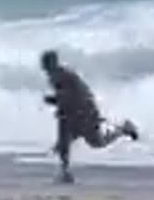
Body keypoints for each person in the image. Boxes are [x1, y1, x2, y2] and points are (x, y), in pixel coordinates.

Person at [39, 50, 139, 183]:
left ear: (53, 63)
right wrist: (56, 101)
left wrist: (54, 100)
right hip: (72, 114)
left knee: (97, 142)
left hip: (85, 112)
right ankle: (65, 172)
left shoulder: (65, 76)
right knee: (64, 141)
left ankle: (123, 129)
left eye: (46, 64)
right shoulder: (55, 77)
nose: (45, 68)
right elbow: (65, 99)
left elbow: (74, 97)